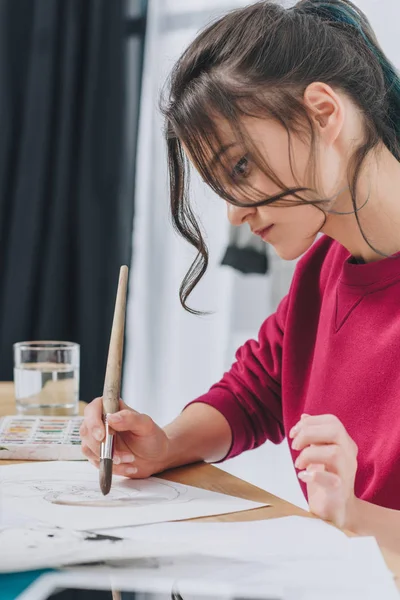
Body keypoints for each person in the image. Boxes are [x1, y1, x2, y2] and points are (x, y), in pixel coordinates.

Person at [80, 0, 400, 553]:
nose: (233, 213)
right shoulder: (322, 273)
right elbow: (256, 393)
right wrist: (165, 445)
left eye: (241, 167)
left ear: (324, 112)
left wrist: (358, 517)